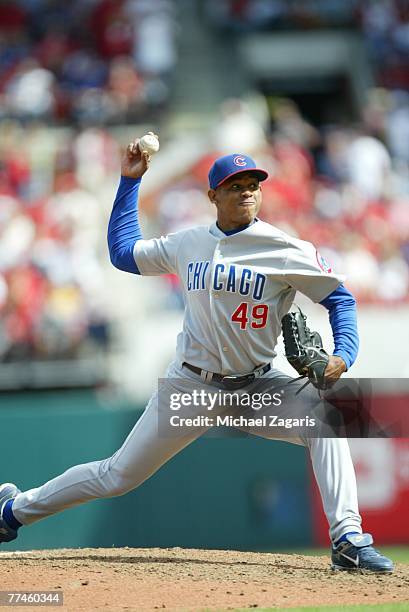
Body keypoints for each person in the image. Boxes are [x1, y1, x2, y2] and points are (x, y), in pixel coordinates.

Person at [0, 140, 393, 573]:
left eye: (252, 184)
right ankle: (13, 511)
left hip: (257, 386)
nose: (246, 192)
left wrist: (344, 355)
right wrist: (130, 180)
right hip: (192, 386)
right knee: (117, 476)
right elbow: (123, 253)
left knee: (331, 422)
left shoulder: (284, 248)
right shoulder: (188, 242)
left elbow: (340, 299)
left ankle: (348, 539)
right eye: (234, 185)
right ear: (213, 196)